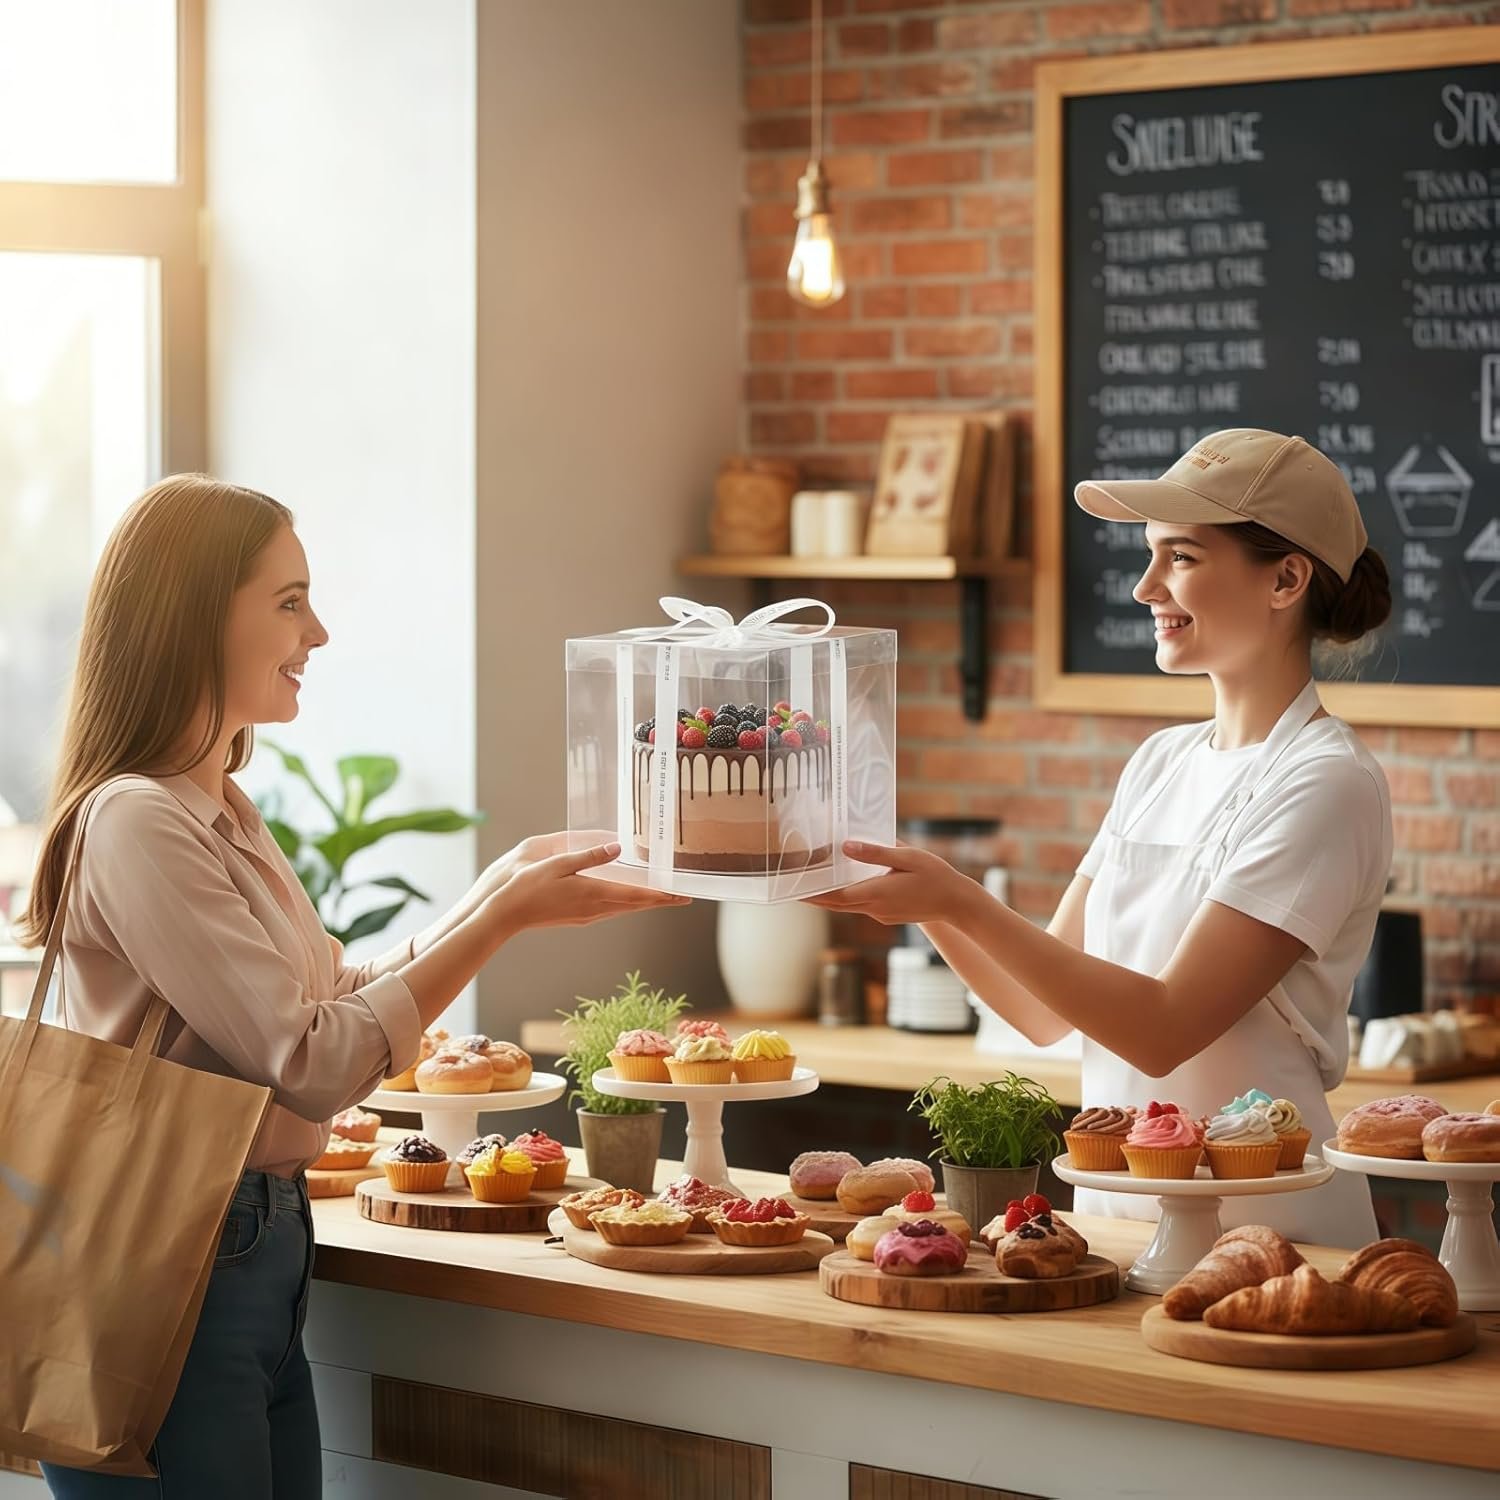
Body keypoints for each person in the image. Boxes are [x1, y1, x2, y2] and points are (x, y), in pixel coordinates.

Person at [16, 474, 687, 1497]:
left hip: (256, 1248)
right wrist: (500, 918)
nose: (317, 632)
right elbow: (313, 1061)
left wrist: (499, 889)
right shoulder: (136, 820)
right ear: (196, 617)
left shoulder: (224, 810)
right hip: (177, 1256)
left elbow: (339, 988)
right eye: (288, 601)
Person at [811, 429, 1393, 1246]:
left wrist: (958, 898)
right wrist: (919, 897)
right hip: (1119, 1221)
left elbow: (1162, 1029)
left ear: (1286, 578)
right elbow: (1037, 1014)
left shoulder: (1326, 781)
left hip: (1274, 1236)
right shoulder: (1160, 761)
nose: (1146, 587)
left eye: (1182, 557)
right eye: (1151, 556)